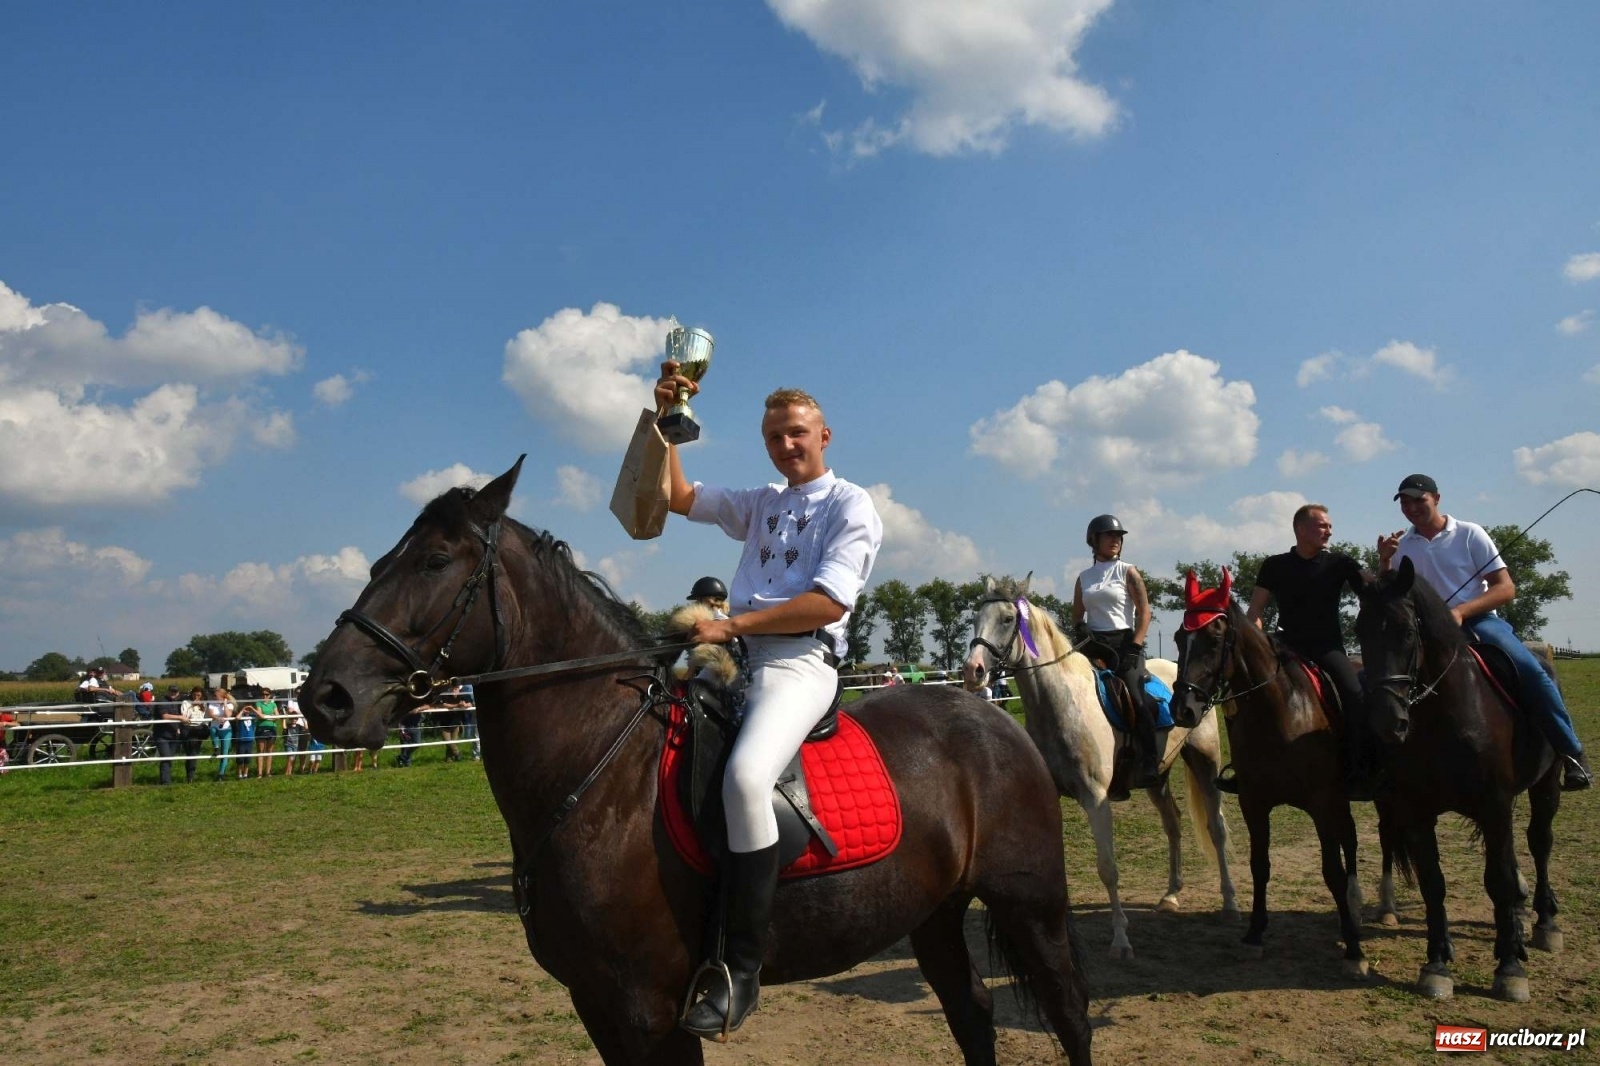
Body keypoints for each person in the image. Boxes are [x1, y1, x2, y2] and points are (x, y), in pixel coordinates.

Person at [655, 363, 883, 1039]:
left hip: (799, 661)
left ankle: (741, 971)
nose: (787, 445)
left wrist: (731, 624)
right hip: (737, 661)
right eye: (776, 437)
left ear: (824, 435)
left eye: (798, 434)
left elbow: (828, 601)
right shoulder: (760, 502)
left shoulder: (851, 505)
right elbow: (677, 498)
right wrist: (668, 422)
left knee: (749, 778)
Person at [1378, 473, 1591, 791]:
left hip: (1479, 622)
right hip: (1423, 632)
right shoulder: (1402, 545)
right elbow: (1389, 595)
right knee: (1380, 678)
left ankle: (1572, 754)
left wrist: (1462, 611)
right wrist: (1384, 562)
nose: (1411, 508)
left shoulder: (1469, 534)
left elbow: (1505, 588)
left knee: (1532, 671)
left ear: (1436, 498)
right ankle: (1380, 765)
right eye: (1405, 503)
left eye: (1418, 500)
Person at [1247, 504, 1372, 797]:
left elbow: (1372, 589)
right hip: (1285, 646)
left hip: (1327, 648)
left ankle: (1360, 765)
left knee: (1354, 693)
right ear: (1301, 529)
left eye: (1329, 526)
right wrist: (1257, 641)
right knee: (1249, 693)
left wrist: (1386, 561)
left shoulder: (1340, 563)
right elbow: (1255, 610)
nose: (1329, 531)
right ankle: (1245, 768)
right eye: (1322, 526)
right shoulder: (1274, 565)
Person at [1072, 514, 1162, 792]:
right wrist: (1081, 634)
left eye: (1119, 536)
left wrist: (1135, 646)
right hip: (1094, 646)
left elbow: (1145, 613)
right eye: (1109, 535)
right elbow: (1077, 617)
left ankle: (1149, 761)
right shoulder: (1083, 578)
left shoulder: (1128, 572)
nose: (1116, 540)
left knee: (1136, 696)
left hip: (1125, 644)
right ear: (1094, 540)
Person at [153, 684, 192, 785]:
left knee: (169, 758)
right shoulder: (162, 702)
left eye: (176, 692)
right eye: (172, 691)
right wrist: (180, 718)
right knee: (166, 758)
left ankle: (165, 780)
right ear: (168, 691)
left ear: (178, 693)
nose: (173, 693)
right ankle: (166, 782)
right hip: (162, 734)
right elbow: (165, 716)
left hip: (174, 735)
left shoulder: (178, 703)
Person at [206, 687, 235, 780]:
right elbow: (210, 714)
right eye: (214, 696)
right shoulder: (212, 704)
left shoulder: (230, 704)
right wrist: (217, 718)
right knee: (212, 729)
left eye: (216, 696)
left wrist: (225, 704)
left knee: (225, 753)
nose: (215, 697)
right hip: (215, 726)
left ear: (222, 697)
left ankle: (221, 773)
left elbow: (228, 715)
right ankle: (216, 747)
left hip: (226, 729)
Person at [253, 686, 279, 776]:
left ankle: (268, 772)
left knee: (269, 751)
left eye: (266, 694)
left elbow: (277, 716)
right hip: (261, 728)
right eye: (263, 694)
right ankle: (259, 773)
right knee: (260, 751)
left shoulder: (273, 704)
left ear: (270, 695)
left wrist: (266, 717)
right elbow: (260, 715)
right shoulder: (258, 703)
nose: (264, 696)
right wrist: (270, 716)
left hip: (272, 728)